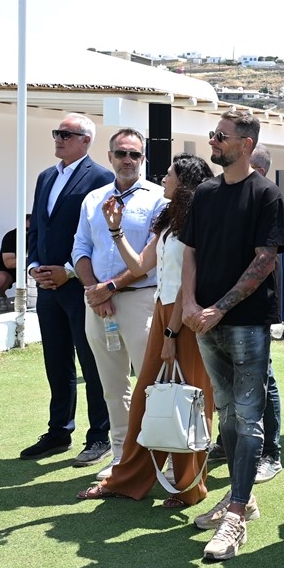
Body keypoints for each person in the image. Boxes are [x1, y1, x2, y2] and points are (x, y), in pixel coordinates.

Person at [180, 109, 284, 562]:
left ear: (246, 144)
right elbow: (189, 252)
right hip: (204, 320)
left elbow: (265, 260)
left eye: (221, 136)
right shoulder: (205, 193)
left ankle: (237, 513)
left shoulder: (267, 194)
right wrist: (190, 304)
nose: (213, 141)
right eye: (213, 134)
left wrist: (218, 309)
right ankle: (239, 497)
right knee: (225, 412)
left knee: (247, 418)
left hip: (245, 322)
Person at [77, 154, 217, 507]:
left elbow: (189, 285)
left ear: (184, 183)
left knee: (189, 400)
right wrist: (116, 230)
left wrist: (171, 333)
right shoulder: (170, 220)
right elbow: (141, 265)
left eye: (169, 174)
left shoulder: (201, 222)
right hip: (163, 313)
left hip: (184, 319)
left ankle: (189, 487)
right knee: (145, 397)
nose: (163, 178)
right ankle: (128, 479)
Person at [20, 114, 114, 463]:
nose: (58, 139)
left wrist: (71, 272)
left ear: (86, 140)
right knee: (56, 360)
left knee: (92, 362)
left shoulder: (101, 177)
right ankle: (59, 431)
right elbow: (37, 227)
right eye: (57, 133)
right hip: (47, 285)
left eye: (66, 134)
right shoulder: (46, 176)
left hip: (80, 286)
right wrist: (33, 264)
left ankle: (100, 435)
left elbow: (100, 235)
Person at [74, 128, 166, 473]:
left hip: (140, 301)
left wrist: (109, 287)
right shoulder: (93, 199)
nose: (128, 160)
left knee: (151, 384)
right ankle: (121, 456)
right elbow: (81, 248)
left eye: (134, 154)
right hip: (97, 304)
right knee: (112, 386)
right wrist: (94, 291)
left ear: (144, 158)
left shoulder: (159, 199)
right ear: (110, 156)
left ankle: (158, 456)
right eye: (121, 153)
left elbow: (151, 257)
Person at [248, 145, 284, 482]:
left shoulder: (269, 199)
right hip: (228, 309)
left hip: (256, 307)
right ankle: (230, 444)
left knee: (264, 379)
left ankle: (271, 452)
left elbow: (266, 261)